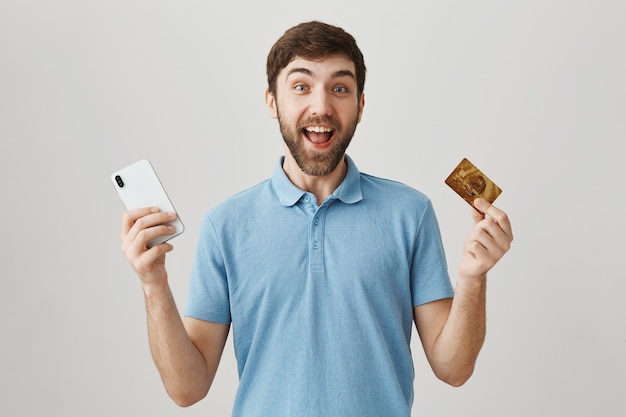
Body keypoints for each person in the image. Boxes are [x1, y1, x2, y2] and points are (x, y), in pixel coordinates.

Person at [120, 21, 513, 417]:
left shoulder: (410, 214)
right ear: (272, 101)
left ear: (360, 104)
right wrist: (154, 284)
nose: (322, 106)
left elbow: (454, 368)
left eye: (339, 88)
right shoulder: (225, 225)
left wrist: (473, 277)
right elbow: (187, 389)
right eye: (301, 86)